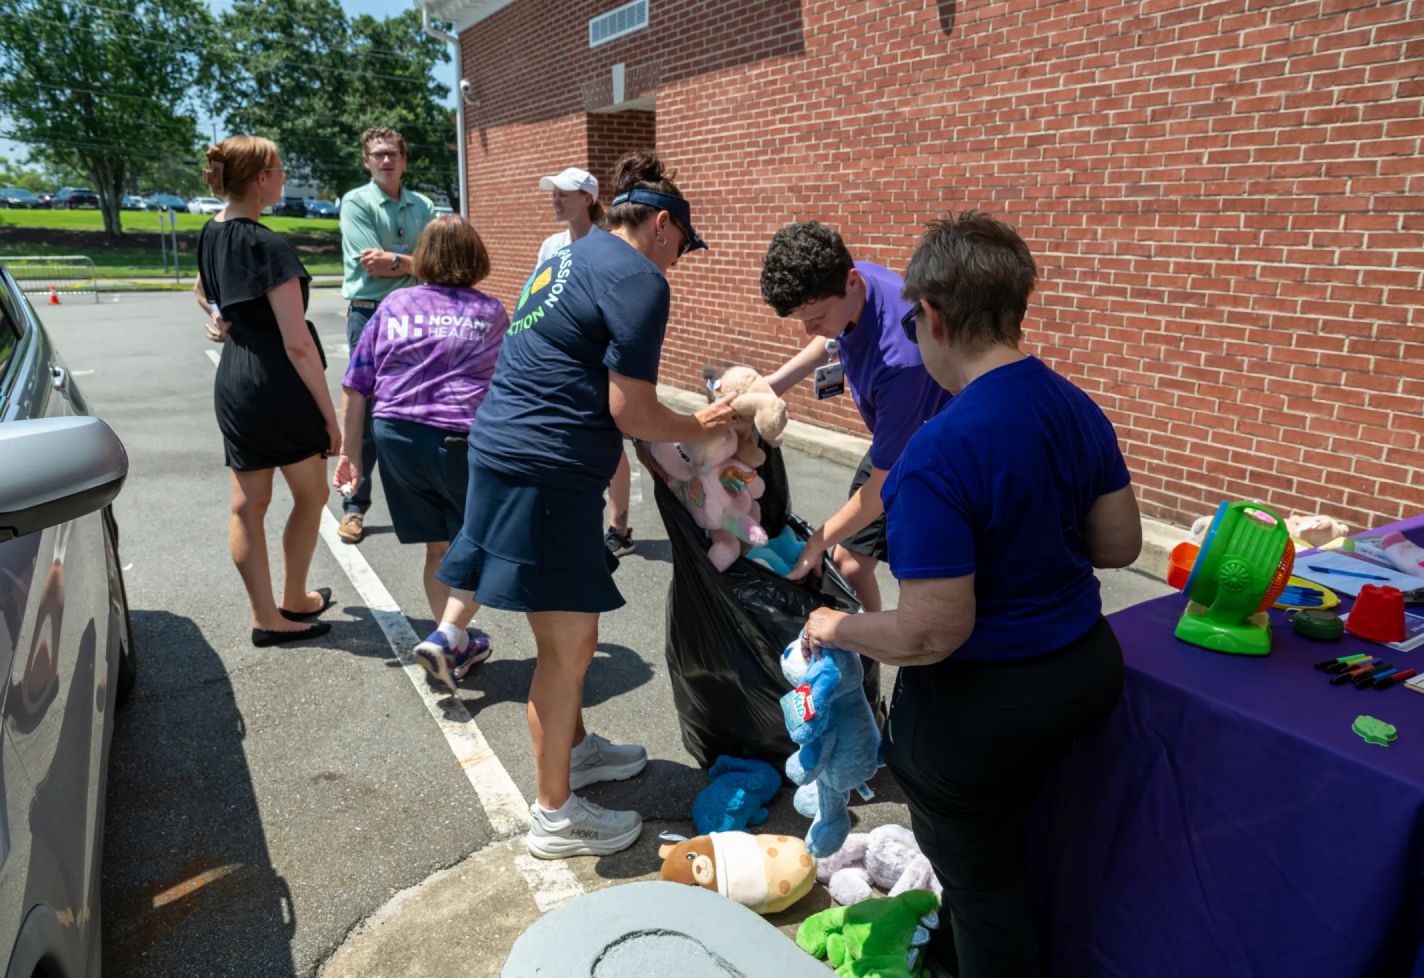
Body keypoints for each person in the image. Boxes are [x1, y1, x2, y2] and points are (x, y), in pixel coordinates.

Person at [801, 211, 1143, 978]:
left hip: (985, 706)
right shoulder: (1074, 405)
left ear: (934, 316)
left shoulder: (939, 451)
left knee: (985, 891)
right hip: (1084, 671)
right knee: (1014, 853)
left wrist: (835, 625)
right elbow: (1119, 544)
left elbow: (930, 633)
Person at [432, 151, 737, 859]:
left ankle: (576, 751)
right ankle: (555, 815)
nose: (679, 260)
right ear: (662, 225)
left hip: (508, 452)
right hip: (544, 471)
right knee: (566, 648)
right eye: (683, 245)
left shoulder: (572, 254)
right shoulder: (641, 279)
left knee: (573, 636)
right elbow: (633, 411)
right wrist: (701, 425)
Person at [332, 216, 507, 685]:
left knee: (438, 545)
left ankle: (454, 646)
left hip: (395, 435)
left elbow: (356, 383)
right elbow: (508, 384)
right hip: (460, 440)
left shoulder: (394, 304)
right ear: (475, 257)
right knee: (482, 543)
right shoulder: (490, 312)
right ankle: (449, 635)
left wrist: (351, 454)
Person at [195, 136, 341, 647]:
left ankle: (268, 614)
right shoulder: (268, 245)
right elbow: (297, 344)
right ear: (261, 179)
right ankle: (291, 600)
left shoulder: (211, 231)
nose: (283, 177)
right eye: (279, 170)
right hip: (276, 382)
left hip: (235, 378)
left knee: (248, 505)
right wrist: (332, 418)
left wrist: (223, 319)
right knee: (312, 494)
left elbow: (201, 291)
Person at [760, 221, 950, 612]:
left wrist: (817, 541)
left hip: (928, 455)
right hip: (894, 436)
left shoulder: (902, 359)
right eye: (802, 321)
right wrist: (773, 385)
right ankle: (867, 643)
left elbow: (882, 485)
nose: (809, 331)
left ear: (849, 281)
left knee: (906, 580)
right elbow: (831, 339)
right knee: (848, 565)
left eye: (815, 318)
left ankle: (882, 641)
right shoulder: (853, 279)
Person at [337, 126, 436, 544]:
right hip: (369, 314)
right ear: (366, 161)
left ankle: (421, 504)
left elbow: (435, 263)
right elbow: (370, 265)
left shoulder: (423, 204)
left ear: (404, 159)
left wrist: (397, 261)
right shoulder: (356, 203)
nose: (386, 160)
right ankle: (354, 507)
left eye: (393, 153)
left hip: (414, 316)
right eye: (378, 154)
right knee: (363, 414)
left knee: (414, 408)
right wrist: (414, 262)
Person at [533, 166, 637, 559]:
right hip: (562, 357)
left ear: (588, 199)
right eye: (553, 193)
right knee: (569, 435)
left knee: (610, 441)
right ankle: (572, 523)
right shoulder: (551, 245)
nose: (555, 200)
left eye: (564, 193)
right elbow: (539, 297)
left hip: (599, 354)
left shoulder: (608, 245)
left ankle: (619, 528)